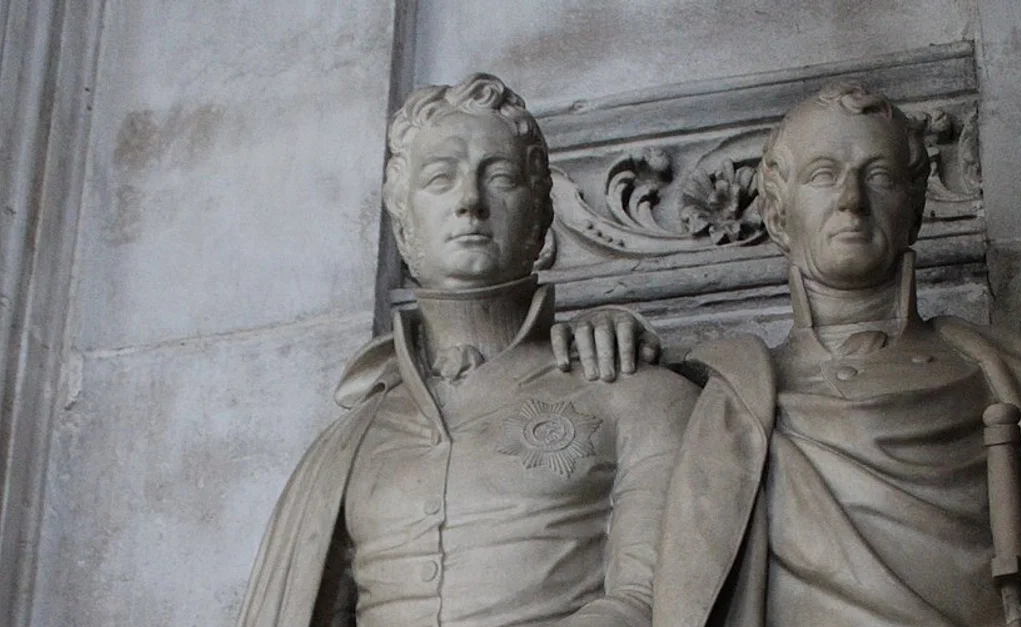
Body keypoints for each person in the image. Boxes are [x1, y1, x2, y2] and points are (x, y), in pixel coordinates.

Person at [652, 83, 1021, 627]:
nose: (851, 200)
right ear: (776, 215)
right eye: (822, 174)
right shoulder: (735, 399)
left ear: (914, 212)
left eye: (879, 176)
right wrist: (603, 334)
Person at [237, 74, 698, 627]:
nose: (470, 202)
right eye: (440, 178)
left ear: (540, 214)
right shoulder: (350, 443)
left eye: (499, 177)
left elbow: (657, 603)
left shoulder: (639, 397)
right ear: (403, 222)